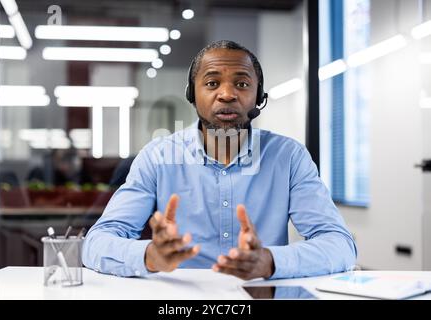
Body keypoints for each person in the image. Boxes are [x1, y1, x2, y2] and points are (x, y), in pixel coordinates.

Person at [82, 40, 357, 280]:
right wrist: (150, 256)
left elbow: (340, 245)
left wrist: (270, 261)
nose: (227, 94)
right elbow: (96, 243)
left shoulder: (289, 157)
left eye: (242, 83)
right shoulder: (157, 157)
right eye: (212, 83)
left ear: (259, 97)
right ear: (192, 94)